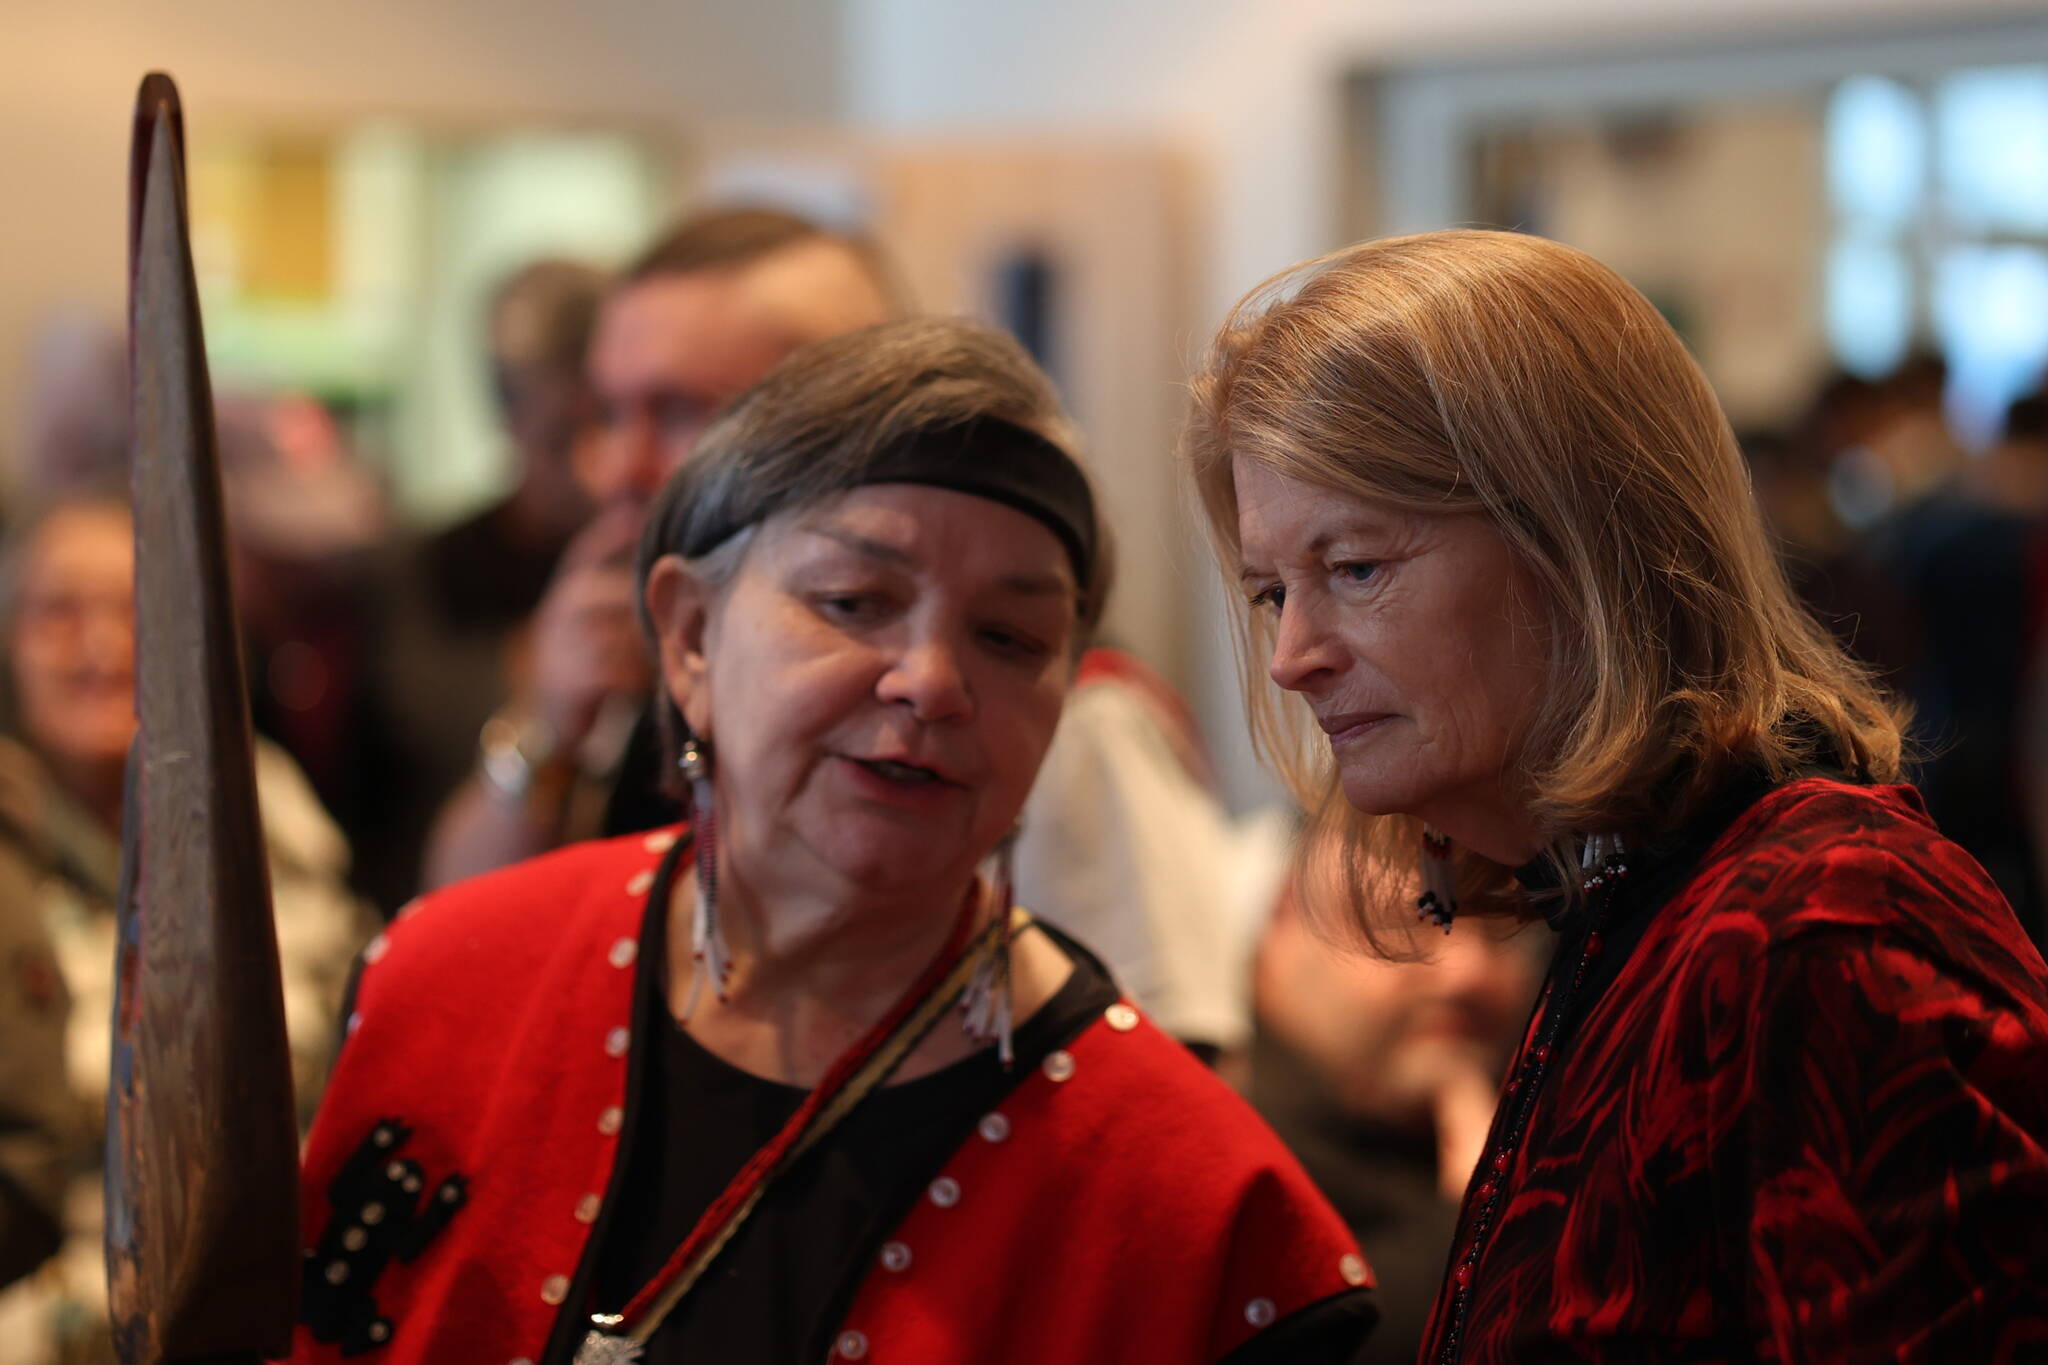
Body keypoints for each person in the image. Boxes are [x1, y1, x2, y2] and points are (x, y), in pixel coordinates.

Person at [291, 318, 1376, 1365]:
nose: (933, 682)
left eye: (1009, 637)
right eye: (854, 600)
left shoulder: (1182, 1196)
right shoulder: (446, 979)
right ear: (689, 638)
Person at [1183, 229, 2048, 1362]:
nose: (1292, 654)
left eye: (1354, 569)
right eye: (1267, 593)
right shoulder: (1628, 905)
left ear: (1580, 545)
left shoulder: (1826, 921)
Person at [422, 208, 1252, 1054]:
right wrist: (545, 729)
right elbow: (470, 971)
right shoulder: (635, 639)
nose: (615, 469)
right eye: (608, 411)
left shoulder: (1069, 717)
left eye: (675, 413)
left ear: (848, 407)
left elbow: (1158, 1094)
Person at [0, 493, 375, 1364]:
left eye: (133, 607)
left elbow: (367, 1013)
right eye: (57, 612)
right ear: (10, 642)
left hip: (294, 1316)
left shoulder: (267, 801)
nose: (97, 645)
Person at [1246, 845, 1540, 1365]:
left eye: (1502, 930)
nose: (1467, 970)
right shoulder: (1218, 1152)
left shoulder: (1561, 1105)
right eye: (1411, 922)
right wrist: (1479, 1213)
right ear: (1288, 916)